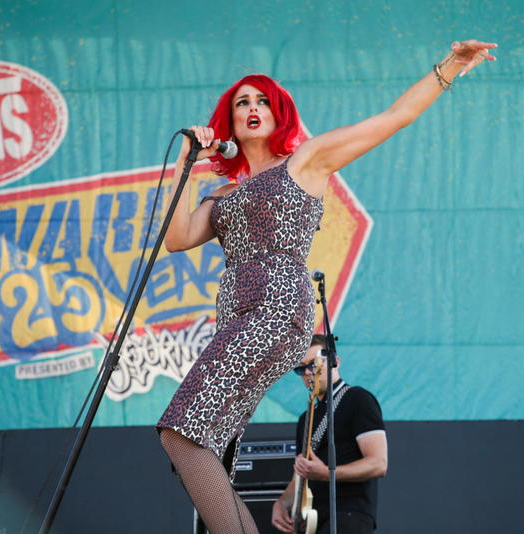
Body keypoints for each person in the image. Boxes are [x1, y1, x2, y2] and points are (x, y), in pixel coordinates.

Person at [156, 40, 497, 534]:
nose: (252, 109)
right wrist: (186, 164)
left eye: (262, 101)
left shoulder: (305, 162)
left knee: (180, 431)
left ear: (279, 114)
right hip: (235, 317)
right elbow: (176, 237)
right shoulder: (224, 193)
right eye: (241, 103)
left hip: (275, 309)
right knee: (202, 445)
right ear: (227, 121)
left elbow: (394, 117)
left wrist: (450, 67)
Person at [271, 335, 387, 534]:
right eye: (301, 368)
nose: (308, 372)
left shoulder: (357, 399)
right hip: (312, 521)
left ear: (335, 361)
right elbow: (299, 477)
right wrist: (281, 504)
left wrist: (327, 473)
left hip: (348, 514)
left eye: (314, 365)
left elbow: (378, 463)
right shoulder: (305, 419)